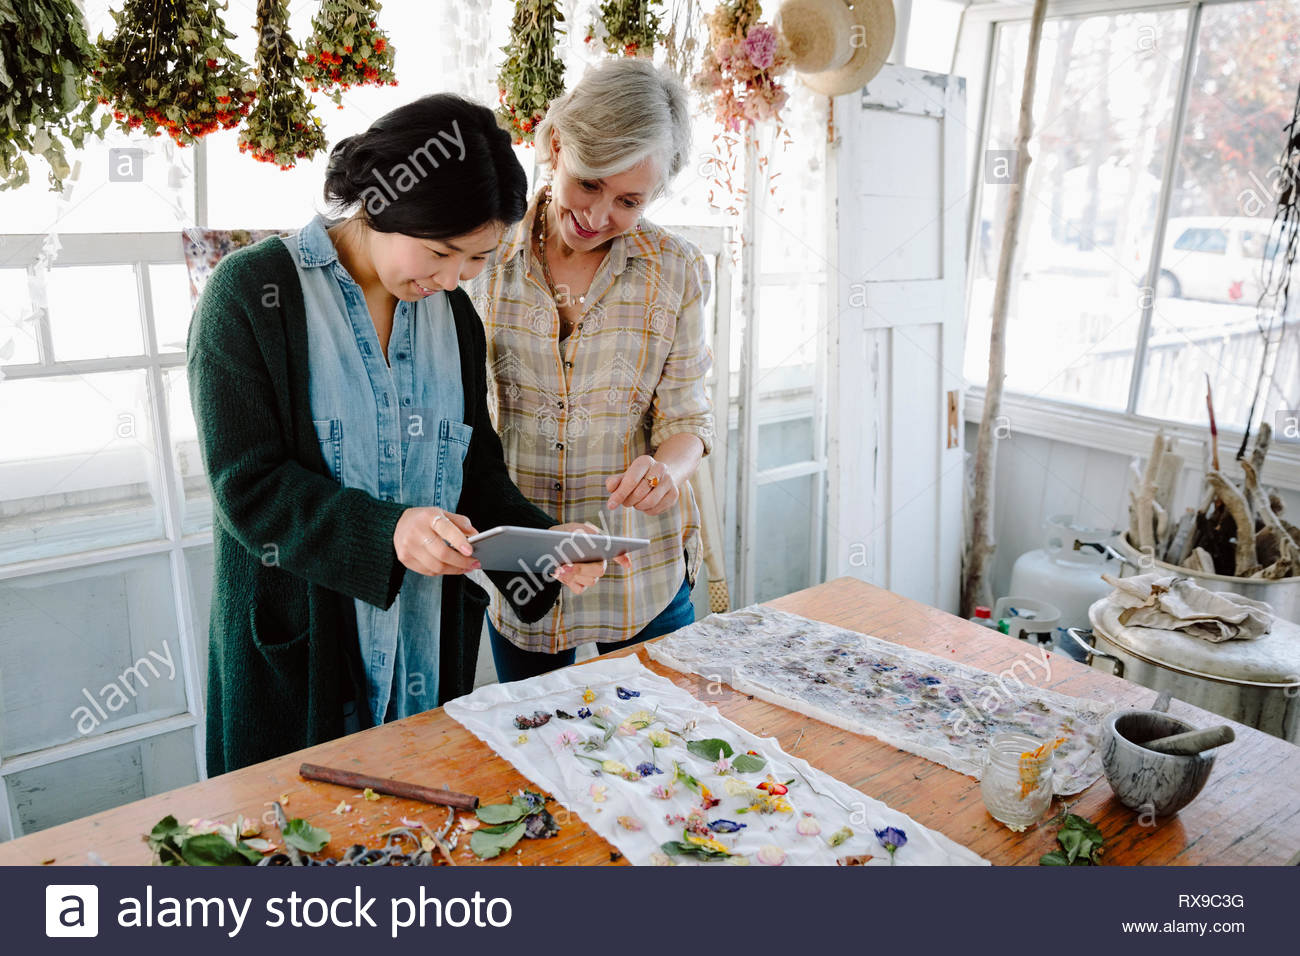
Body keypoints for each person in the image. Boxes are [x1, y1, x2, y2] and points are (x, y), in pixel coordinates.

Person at [188, 94, 614, 775]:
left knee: (415, 844)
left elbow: (474, 473)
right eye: (443, 252)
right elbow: (247, 487)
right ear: (382, 203)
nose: (453, 278)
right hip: (300, 663)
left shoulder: (454, 318)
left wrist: (543, 549)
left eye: (477, 260)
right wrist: (388, 531)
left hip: (424, 648)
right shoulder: (250, 295)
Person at [471, 59, 714, 680]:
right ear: (556, 144)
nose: (599, 215)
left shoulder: (676, 270)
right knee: (532, 757)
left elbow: (687, 419)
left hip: (641, 574)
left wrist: (667, 467)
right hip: (525, 571)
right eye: (589, 183)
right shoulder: (486, 255)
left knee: (661, 757)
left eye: (628, 200)